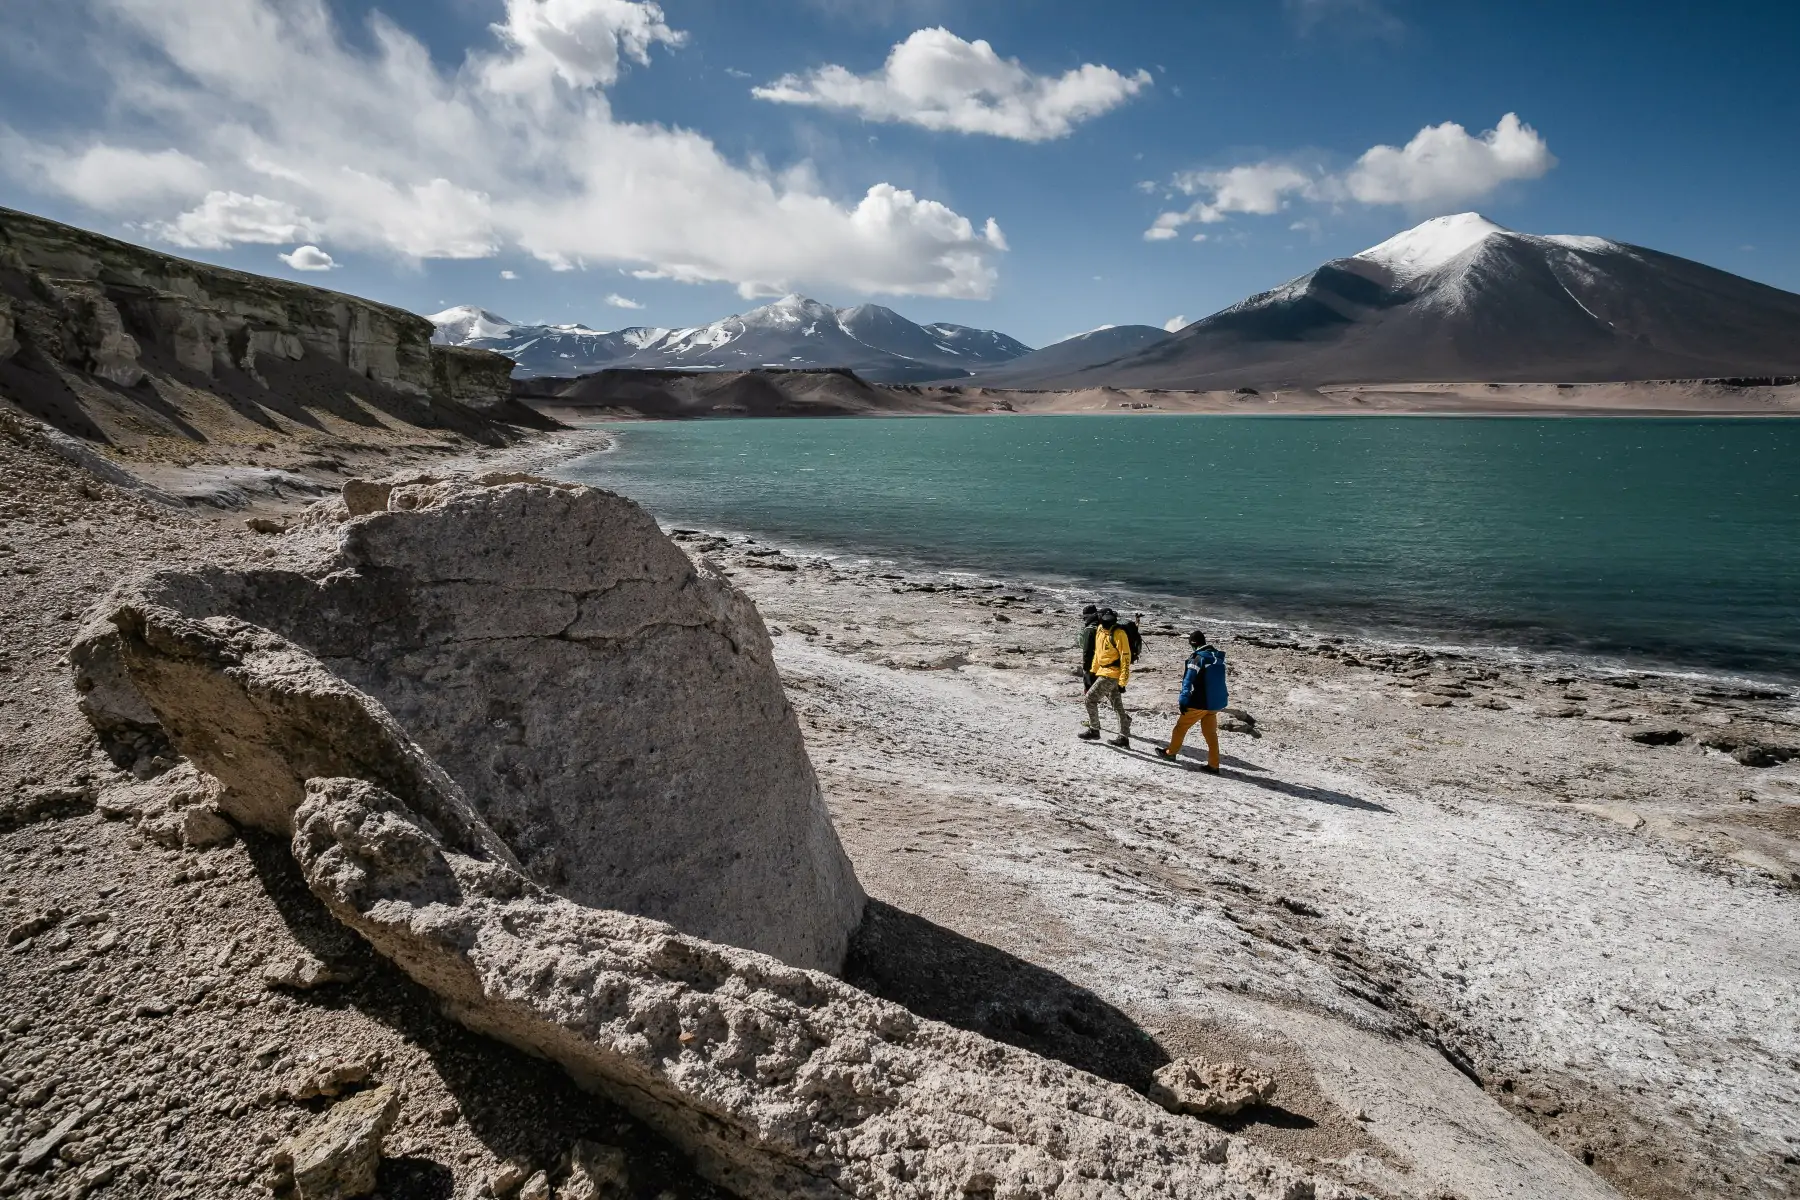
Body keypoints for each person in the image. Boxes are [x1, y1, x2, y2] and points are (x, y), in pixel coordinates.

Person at [1157, 630, 1226, 773]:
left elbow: (1188, 680)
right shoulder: (1216, 658)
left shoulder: (1197, 658)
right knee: (1211, 734)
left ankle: (1170, 753)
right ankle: (1214, 765)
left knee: (1180, 727)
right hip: (1216, 703)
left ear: (1193, 644)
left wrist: (1183, 699)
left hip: (1200, 702)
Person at [1079, 607, 1132, 747]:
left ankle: (1094, 730)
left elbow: (1125, 658)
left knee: (1089, 699)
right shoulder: (1100, 630)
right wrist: (1093, 671)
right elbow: (1098, 653)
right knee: (1117, 706)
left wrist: (1123, 681)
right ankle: (1123, 737)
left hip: (1112, 675)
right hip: (1103, 672)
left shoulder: (1119, 633)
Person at [1077, 604, 1101, 691]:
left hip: (1094, 664)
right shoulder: (1103, 626)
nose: (1084, 619)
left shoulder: (1090, 630)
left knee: (1090, 694)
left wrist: (1085, 668)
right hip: (1108, 664)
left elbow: (1087, 651)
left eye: (1085, 617)